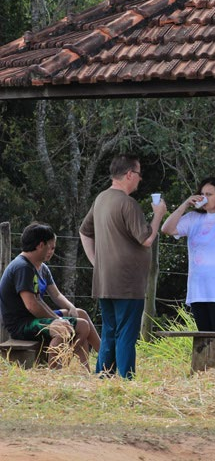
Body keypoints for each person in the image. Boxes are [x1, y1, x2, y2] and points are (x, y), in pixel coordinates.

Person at [80, 153, 166, 379]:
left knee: (109, 331)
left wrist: (96, 261)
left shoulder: (101, 199)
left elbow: (84, 231)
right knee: (127, 332)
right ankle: (126, 379)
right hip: (127, 282)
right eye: (138, 174)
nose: (140, 179)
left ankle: (104, 376)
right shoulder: (128, 203)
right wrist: (158, 215)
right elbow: (146, 239)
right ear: (129, 174)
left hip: (105, 279)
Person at [0, 223, 97, 368]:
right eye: (51, 247)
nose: (52, 251)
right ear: (40, 245)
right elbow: (32, 305)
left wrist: (70, 307)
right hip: (22, 324)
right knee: (79, 326)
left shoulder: (41, 267)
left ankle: (105, 358)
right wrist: (57, 320)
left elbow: (56, 295)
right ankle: (56, 368)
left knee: (81, 315)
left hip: (35, 318)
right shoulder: (22, 267)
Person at [161, 177, 215, 333]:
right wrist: (185, 204)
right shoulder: (193, 218)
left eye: (210, 194)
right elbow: (167, 229)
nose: (205, 198)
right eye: (202, 193)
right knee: (205, 341)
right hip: (198, 290)